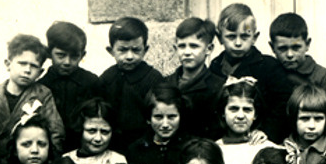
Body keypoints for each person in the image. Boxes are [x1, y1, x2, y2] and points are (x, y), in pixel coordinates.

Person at [209, 3, 295, 143]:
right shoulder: (215, 67)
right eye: (231, 37)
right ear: (219, 38)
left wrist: (267, 131)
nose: (238, 43)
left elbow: (283, 104)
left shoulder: (269, 67)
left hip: (258, 138)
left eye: (244, 37)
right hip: (226, 139)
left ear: (254, 37)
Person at [0, 34, 65, 164]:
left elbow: (56, 134)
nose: (27, 70)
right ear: (8, 64)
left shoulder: (43, 94)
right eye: (22, 63)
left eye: (33, 66)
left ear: (40, 72)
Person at [96, 17, 165, 150]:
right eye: (122, 50)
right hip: (112, 145)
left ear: (145, 50)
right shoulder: (107, 78)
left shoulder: (153, 78)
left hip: (144, 145)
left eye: (136, 50)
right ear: (111, 51)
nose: (129, 56)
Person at [126, 82, 188, 164]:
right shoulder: (136, 150)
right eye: (158, 117)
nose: (165, 124)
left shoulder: (190, 148)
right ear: (148, 118)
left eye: (172, 117)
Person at [39, 21, 99, 151]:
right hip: (51, 151)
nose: (67, 62)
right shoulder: (41, 86)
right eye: (61, 55)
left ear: (82, 55)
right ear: (49, 53)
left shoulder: (91, 82)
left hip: (83, 148)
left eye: (74, 56)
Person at [215, 79, 279, 164]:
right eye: (233, 109)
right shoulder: (215, 149)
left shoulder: (266, 148)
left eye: (247, 110)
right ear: (223, 112)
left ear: (255, 114)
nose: (240, 115)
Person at [165, 17, 225, 139]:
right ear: (175, 49)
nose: (187, 52)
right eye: (182, 46)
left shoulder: (218, 86)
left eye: (194, 46)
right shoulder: (166, 83)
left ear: (209, 49)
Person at [268, 13, 326, 114]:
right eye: (282, 49)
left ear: (307, 44)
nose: (289, 55)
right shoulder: (270, 74)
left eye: (296, 48)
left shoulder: (323, 78)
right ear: (272, 47)